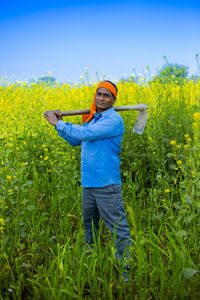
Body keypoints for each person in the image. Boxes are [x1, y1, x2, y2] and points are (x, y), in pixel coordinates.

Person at [43, 80, 132, 281]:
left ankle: (126, 269)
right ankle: (90, 258)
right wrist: (59, 126)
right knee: (89, 224)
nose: (101, 98)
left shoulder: (113, 120)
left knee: (117, 227)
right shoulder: (92, 119)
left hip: (106, 184)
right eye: (98, 94)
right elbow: (76, 140)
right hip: (89, 184)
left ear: (113, 99)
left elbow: (85, 133)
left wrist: (59, 122)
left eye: (106, 95)